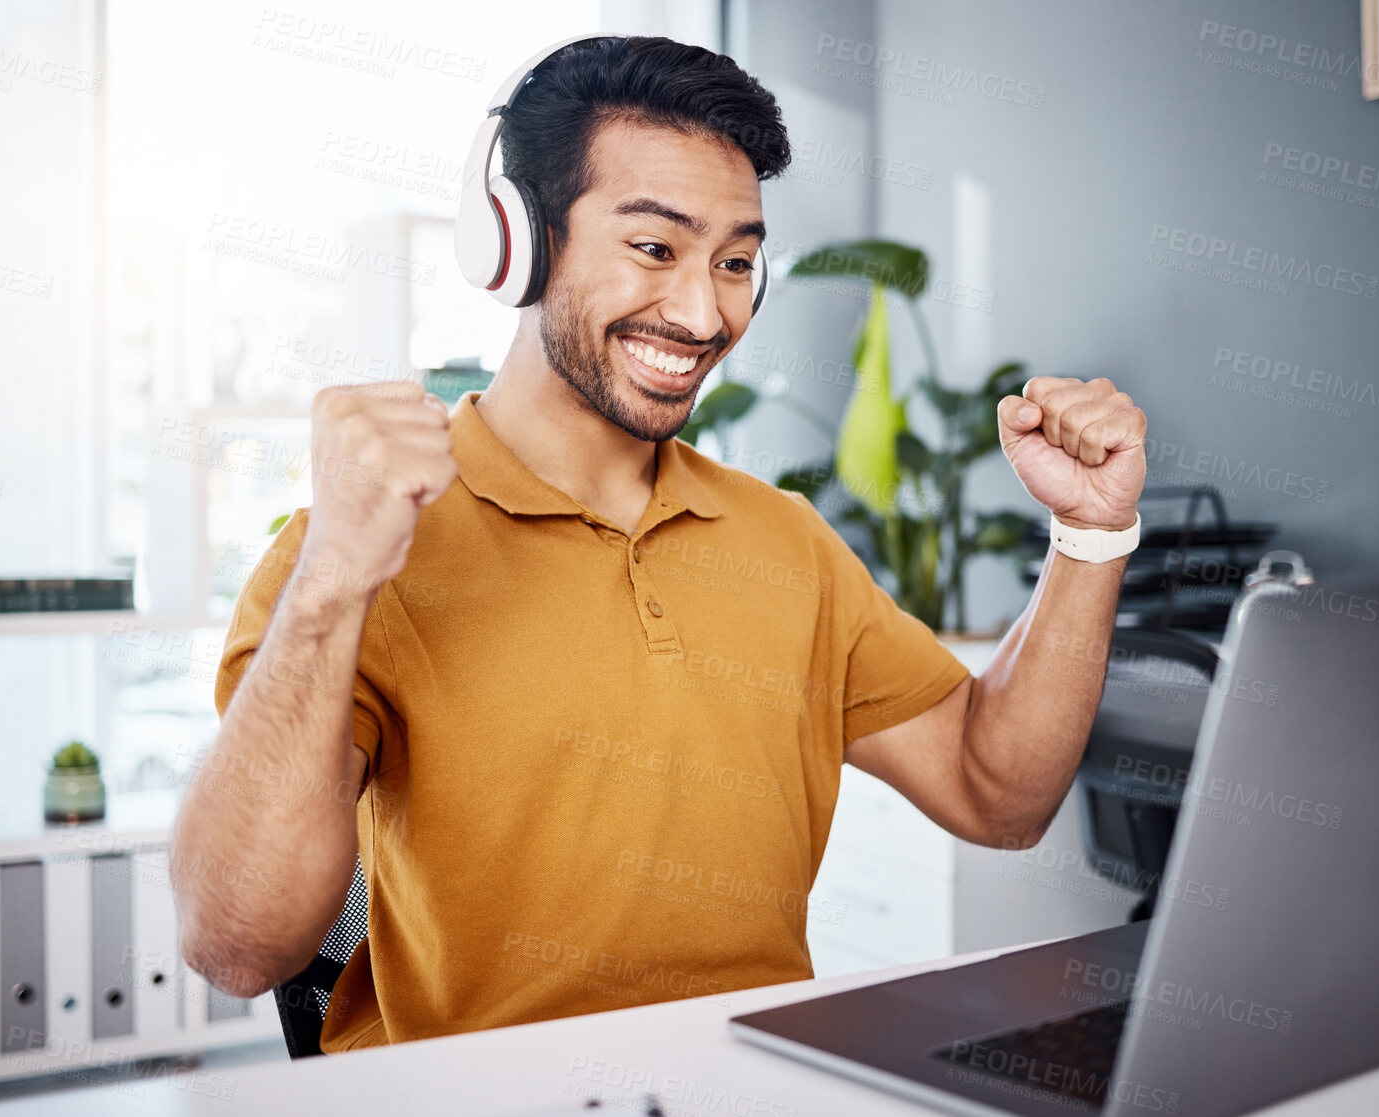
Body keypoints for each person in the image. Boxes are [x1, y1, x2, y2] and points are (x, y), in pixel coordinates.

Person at [172, 35, 1147, 1054]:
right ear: (515, 239)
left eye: (734, 262)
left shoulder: (785, 543)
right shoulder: (355, 543)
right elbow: (237, 945)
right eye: (653, 247)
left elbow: (998, 793)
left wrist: (1088, 535)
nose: (701, 311)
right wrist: (334, 578)